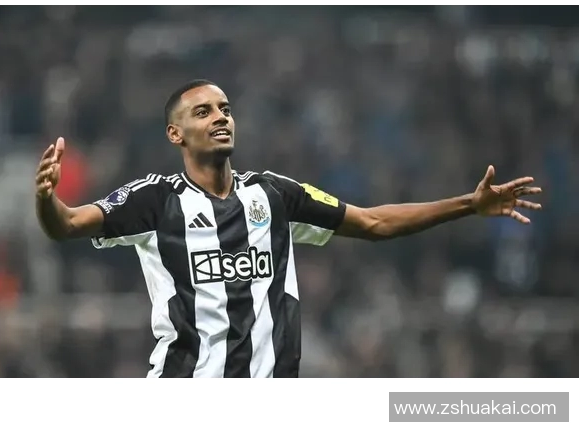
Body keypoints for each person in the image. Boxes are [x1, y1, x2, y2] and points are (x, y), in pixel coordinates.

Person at [35, 79, 542, 378]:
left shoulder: (274, 194)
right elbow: (67, 224)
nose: (220, 118)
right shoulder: (155, 199)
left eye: (226, 109)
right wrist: (46, 198)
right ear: (175, 133)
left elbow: (374, 222)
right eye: (203, 112)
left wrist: (468, 204)